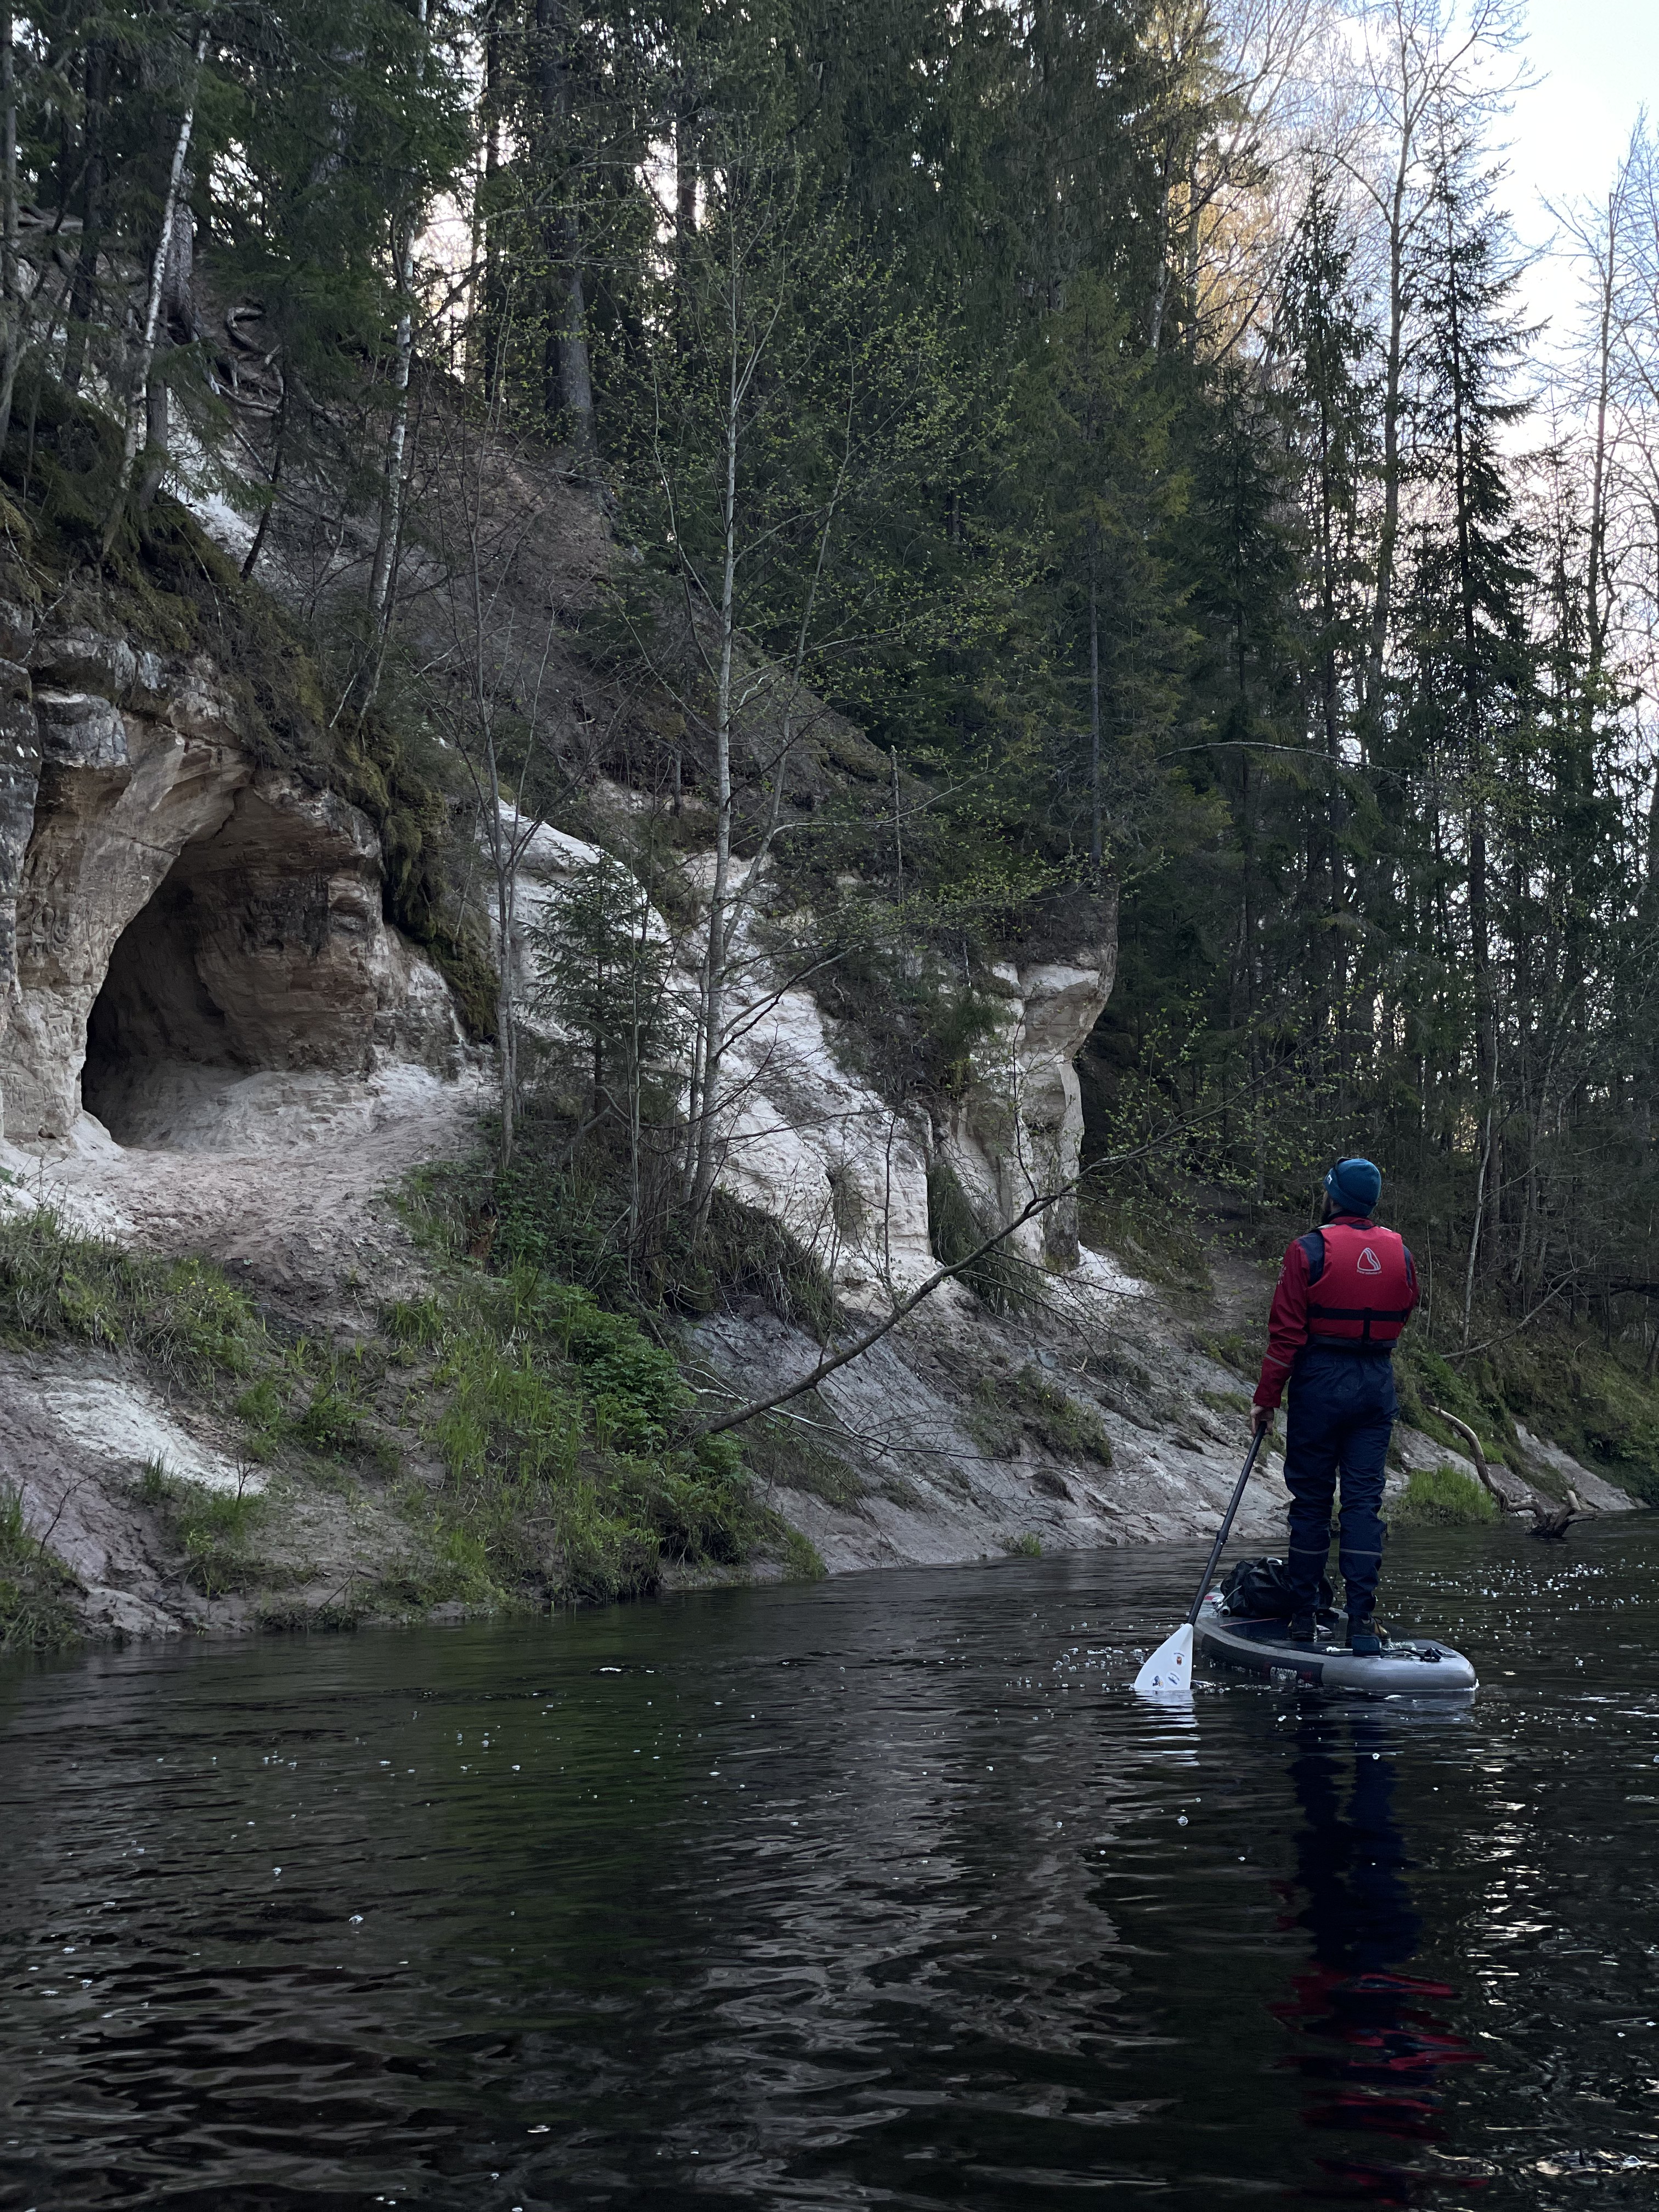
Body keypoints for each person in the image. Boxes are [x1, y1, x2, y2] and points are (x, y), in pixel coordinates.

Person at [1250, 1158, 1419, 1653]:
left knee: (1312, 1502)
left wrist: (1266, 1401)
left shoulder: (1307, 1251)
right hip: (1375, 1383)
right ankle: (1363, 1621)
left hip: (1320, 1383)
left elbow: (1284, 1334)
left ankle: (1304, 1619)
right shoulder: (1402, 1254)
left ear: (1334, 1197)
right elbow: (1404, 1310)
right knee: (1364, 1502)